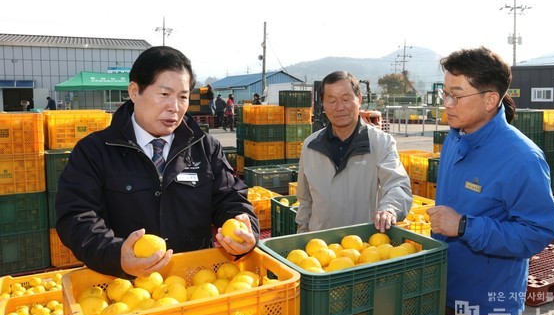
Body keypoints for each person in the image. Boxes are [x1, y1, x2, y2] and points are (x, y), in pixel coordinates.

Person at [55, 46, 259, 278]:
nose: (174, 106)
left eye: (182, 97)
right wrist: (116, 255)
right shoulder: (94, 151)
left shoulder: (206, 147)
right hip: (124, 290)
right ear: (134, 91)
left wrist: (244, 228)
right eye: (164, 94)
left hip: (196, 285)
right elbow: (76, 217)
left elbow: (232, 199)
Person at [427, 47, 554, 315]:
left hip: (486, 306)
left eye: (456, 95)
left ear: (490, 99)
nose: (447, 104)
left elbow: (536, 232)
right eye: (444, 94)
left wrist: (464, 227)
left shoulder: (522, 158)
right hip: (443, 291)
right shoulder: (454, 139)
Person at [295, 71, 412, 233]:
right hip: (320, 249)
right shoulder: (310, 146)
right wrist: (302, 236)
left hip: (363, 249)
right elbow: (305, 202)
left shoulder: (380, 143)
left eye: (346, 99)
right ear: (322, 104)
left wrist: (389, 209)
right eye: (331, 100)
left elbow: (397, 185)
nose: (339, 107)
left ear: (360, 100)